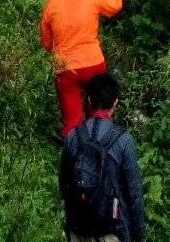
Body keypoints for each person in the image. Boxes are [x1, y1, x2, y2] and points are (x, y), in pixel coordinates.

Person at [58, 70, 146, 242]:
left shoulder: (74, 137)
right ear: (115, 103)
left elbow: (63, 184)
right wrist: (140, 235)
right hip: (111, 230)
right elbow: (134, 194)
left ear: (89, 101)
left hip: (78, 229)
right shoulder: (123, 140)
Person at [40, 0, 123, 136]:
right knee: (98, 116)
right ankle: (99, 148)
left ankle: (75, 157)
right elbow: (115, 4)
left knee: (72, 123)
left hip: (65, 68)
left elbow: (47, 42)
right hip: (93, 64)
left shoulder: (52, 1)